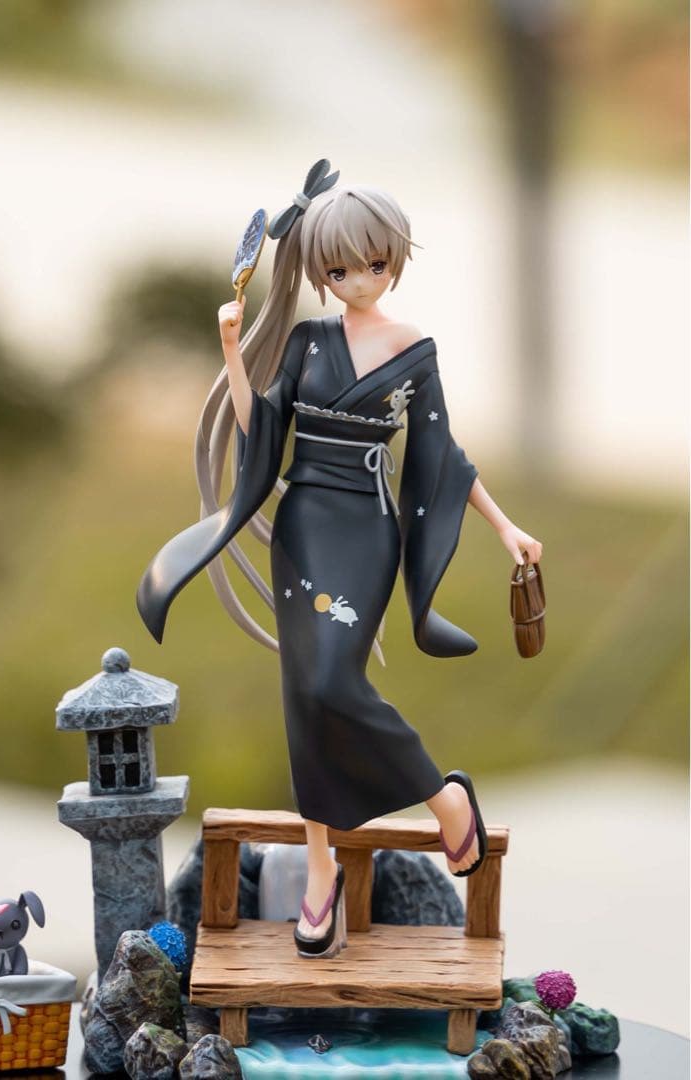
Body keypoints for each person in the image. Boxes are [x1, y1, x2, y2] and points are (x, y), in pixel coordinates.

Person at [137, 161, 543, 960]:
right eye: (339, 269)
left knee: (332, 681)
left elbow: (442, 452)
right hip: (303, 524)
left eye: (373, 263)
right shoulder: (306, 341)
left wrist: (503, 527)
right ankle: (320, 870)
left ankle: (441, 795)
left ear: (393, 259)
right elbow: (261, 429)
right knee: (305, 695)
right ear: (320, 273)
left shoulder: (412, 348)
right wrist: (231, 348)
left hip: (365, 528)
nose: (358, 280)